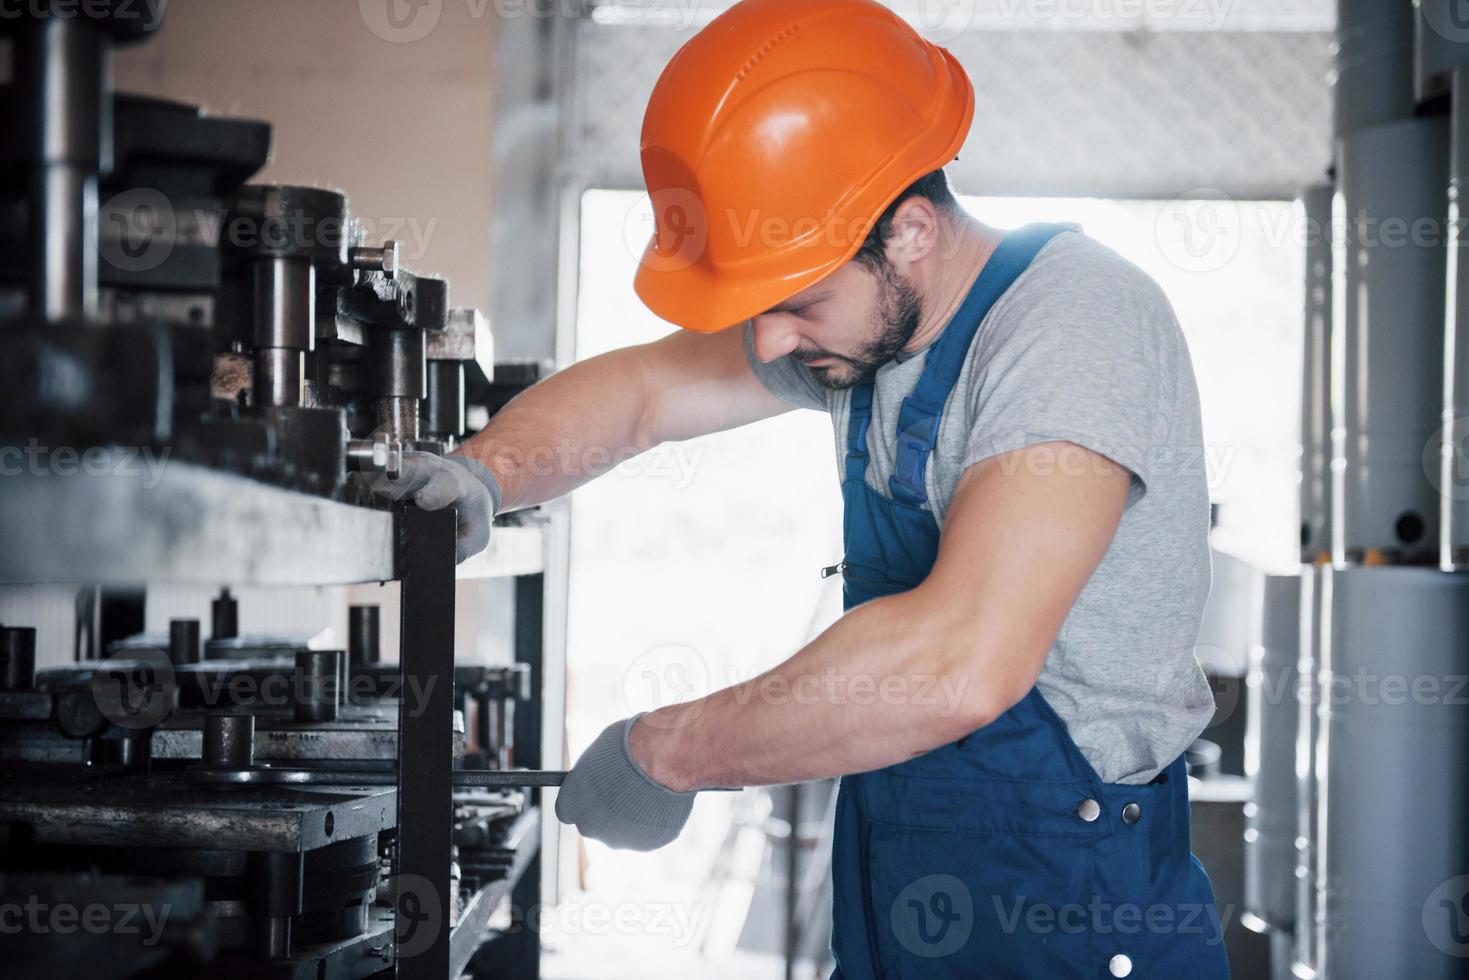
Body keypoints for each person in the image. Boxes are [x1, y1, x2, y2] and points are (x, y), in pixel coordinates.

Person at [384, 0, 1229, 975]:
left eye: (794, 302)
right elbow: (642, 392)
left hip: (1068, 912)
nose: (769, 341)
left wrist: (669, 747)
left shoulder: (1074, 324)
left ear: (910, 229)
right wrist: (480, 475)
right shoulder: (862, 328)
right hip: (901, 891)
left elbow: (960, 659)